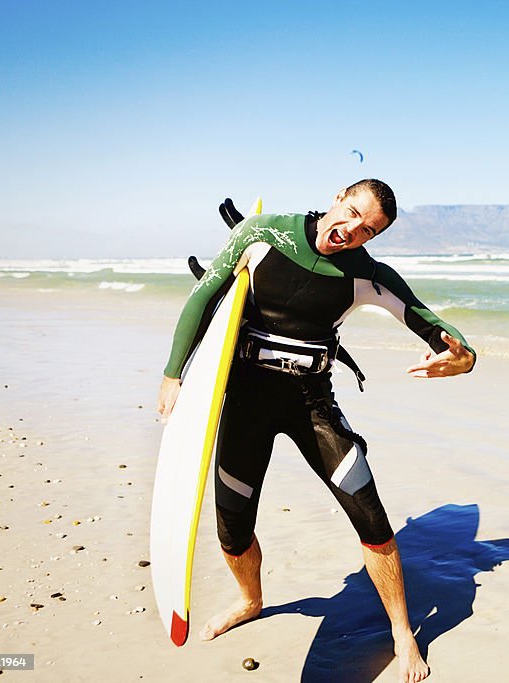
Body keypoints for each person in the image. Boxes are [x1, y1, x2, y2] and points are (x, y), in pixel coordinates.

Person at [157, 179, 475, 683]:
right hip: (245, 403)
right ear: (335, 198)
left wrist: (462, 357)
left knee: (370, 514)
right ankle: (250, 600)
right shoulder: (263, 235)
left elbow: (432, 324)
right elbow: (203, 297)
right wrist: (175, 374)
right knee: (232, 527)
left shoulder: (368, 275)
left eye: (368, 230)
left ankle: (401, 632)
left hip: (311, 405)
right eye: (350, 213)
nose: (350, 231)